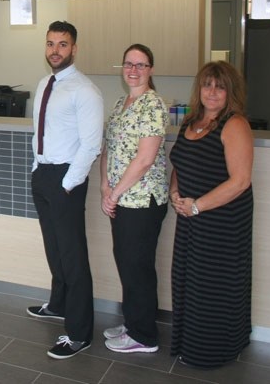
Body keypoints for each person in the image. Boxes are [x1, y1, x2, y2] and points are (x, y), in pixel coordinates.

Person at [26, 20, 103, 360]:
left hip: (65, 180)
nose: (55, 50)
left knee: (72, 258)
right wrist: (36, 167)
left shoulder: (85, 90)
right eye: (50, 43)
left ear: (74, 48)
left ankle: (79, 333)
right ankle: (58, 305)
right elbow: (40, 131)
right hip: (43, 174)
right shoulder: (45, 83)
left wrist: (68, 183)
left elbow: (91, 146)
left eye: (62, 44)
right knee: (54, 250)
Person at [169, 61, 254, 369]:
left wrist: (196, 205)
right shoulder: (190, 122)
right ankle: (187, 344)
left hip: (222, 221)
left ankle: (210, 351)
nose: (213, 92)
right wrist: (175, 194)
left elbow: (240, 181)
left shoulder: (235, 124)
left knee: (213, 287)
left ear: (230, 91)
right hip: (191, 217)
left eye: (220, 87)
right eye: (207, 85)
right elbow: (180, 163)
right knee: (188, 282)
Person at [99, 44, 169, 354]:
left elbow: (144, 160)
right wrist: (104, 186)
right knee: (127, 264)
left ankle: (144, 336)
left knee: (138, 267)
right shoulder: (121, 103)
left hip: (142, 201)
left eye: (141, 65)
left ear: (150, 70)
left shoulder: (153, 105)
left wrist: (114, 193)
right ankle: (133, 322)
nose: (134, 69)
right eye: (129, 63)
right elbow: (109, 149)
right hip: (120, 200)